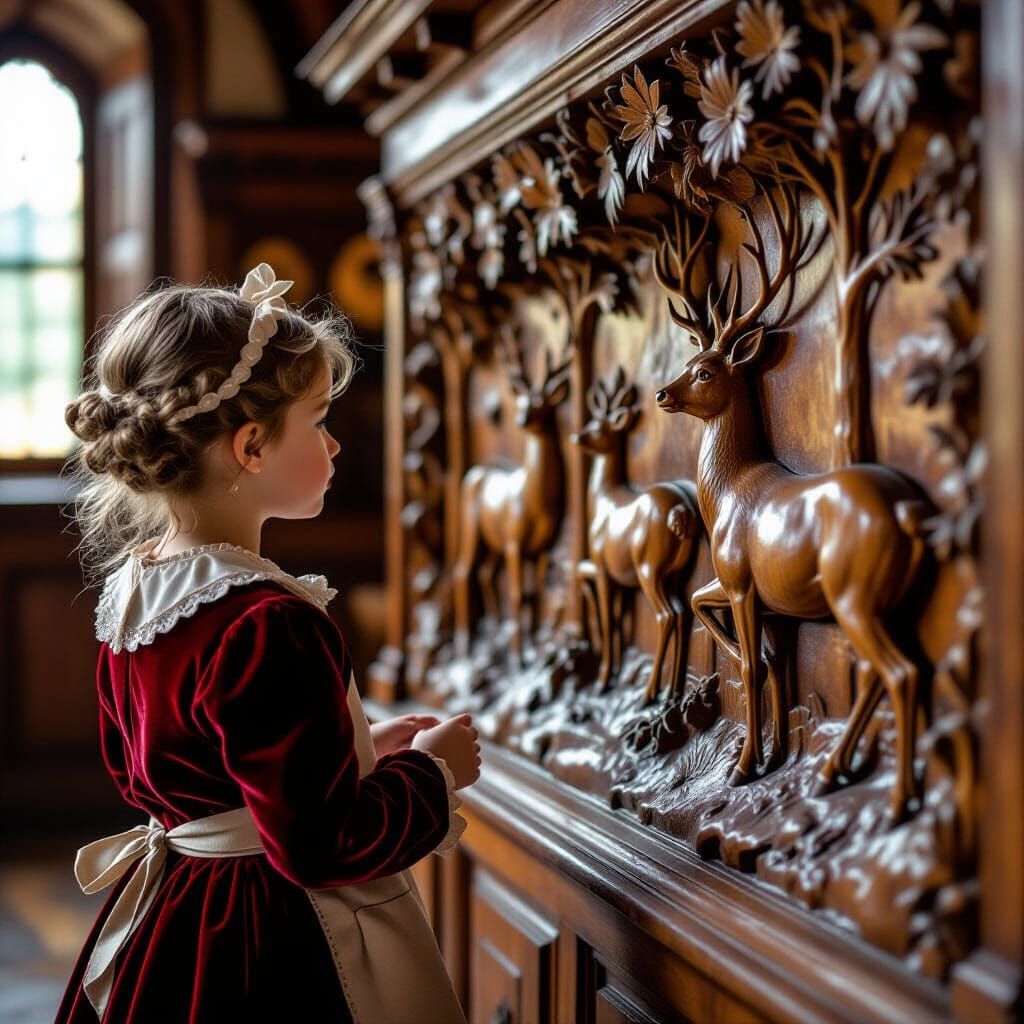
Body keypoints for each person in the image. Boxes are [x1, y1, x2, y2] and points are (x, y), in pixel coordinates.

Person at [54, 263, 479, 1024]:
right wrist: (430, 777)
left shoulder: (137, 589)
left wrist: (354, 749)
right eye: (318, 419)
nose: (336, 444)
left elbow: (179, 772)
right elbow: (320, 846)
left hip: (177, 916)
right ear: (250, 446)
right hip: (263, 939)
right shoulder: (268, 620)